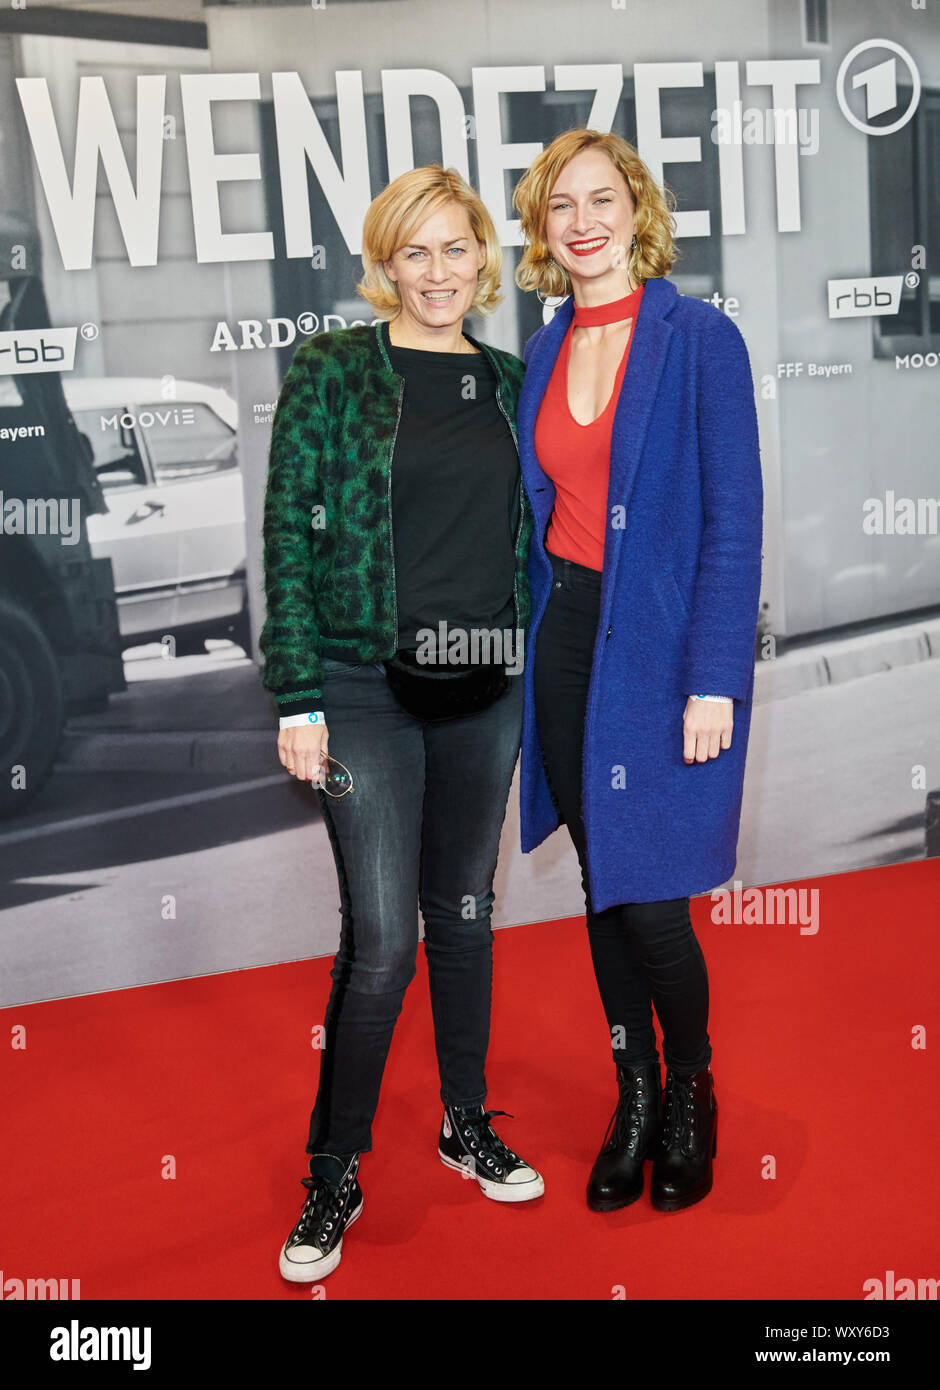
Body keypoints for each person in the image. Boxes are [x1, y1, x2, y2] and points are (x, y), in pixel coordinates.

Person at [259, 165, 544, 1284]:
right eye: (413, 252)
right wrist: (296, 692)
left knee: (464, 916)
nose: (437, 272)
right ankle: (334, 1167)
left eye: (455, 248)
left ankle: (464, 1120)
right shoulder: (333, 369)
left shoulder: (511, 381)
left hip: (489, 685)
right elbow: (288, 525)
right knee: (381, 942)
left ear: (484, 257)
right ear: (386, 265)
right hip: (363, 683)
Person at [512, 129, 763, 1213]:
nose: (583, 221)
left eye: (600, 198)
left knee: (655, 903)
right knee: (602, 886)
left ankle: (692, 1085)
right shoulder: (538, 349)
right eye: (559, 205)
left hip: (663, 654)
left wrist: (717, 676)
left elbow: (733, 523)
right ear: (542, 230)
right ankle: (635, 1093)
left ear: (636, 209)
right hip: (568, 638)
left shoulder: (700, 339)